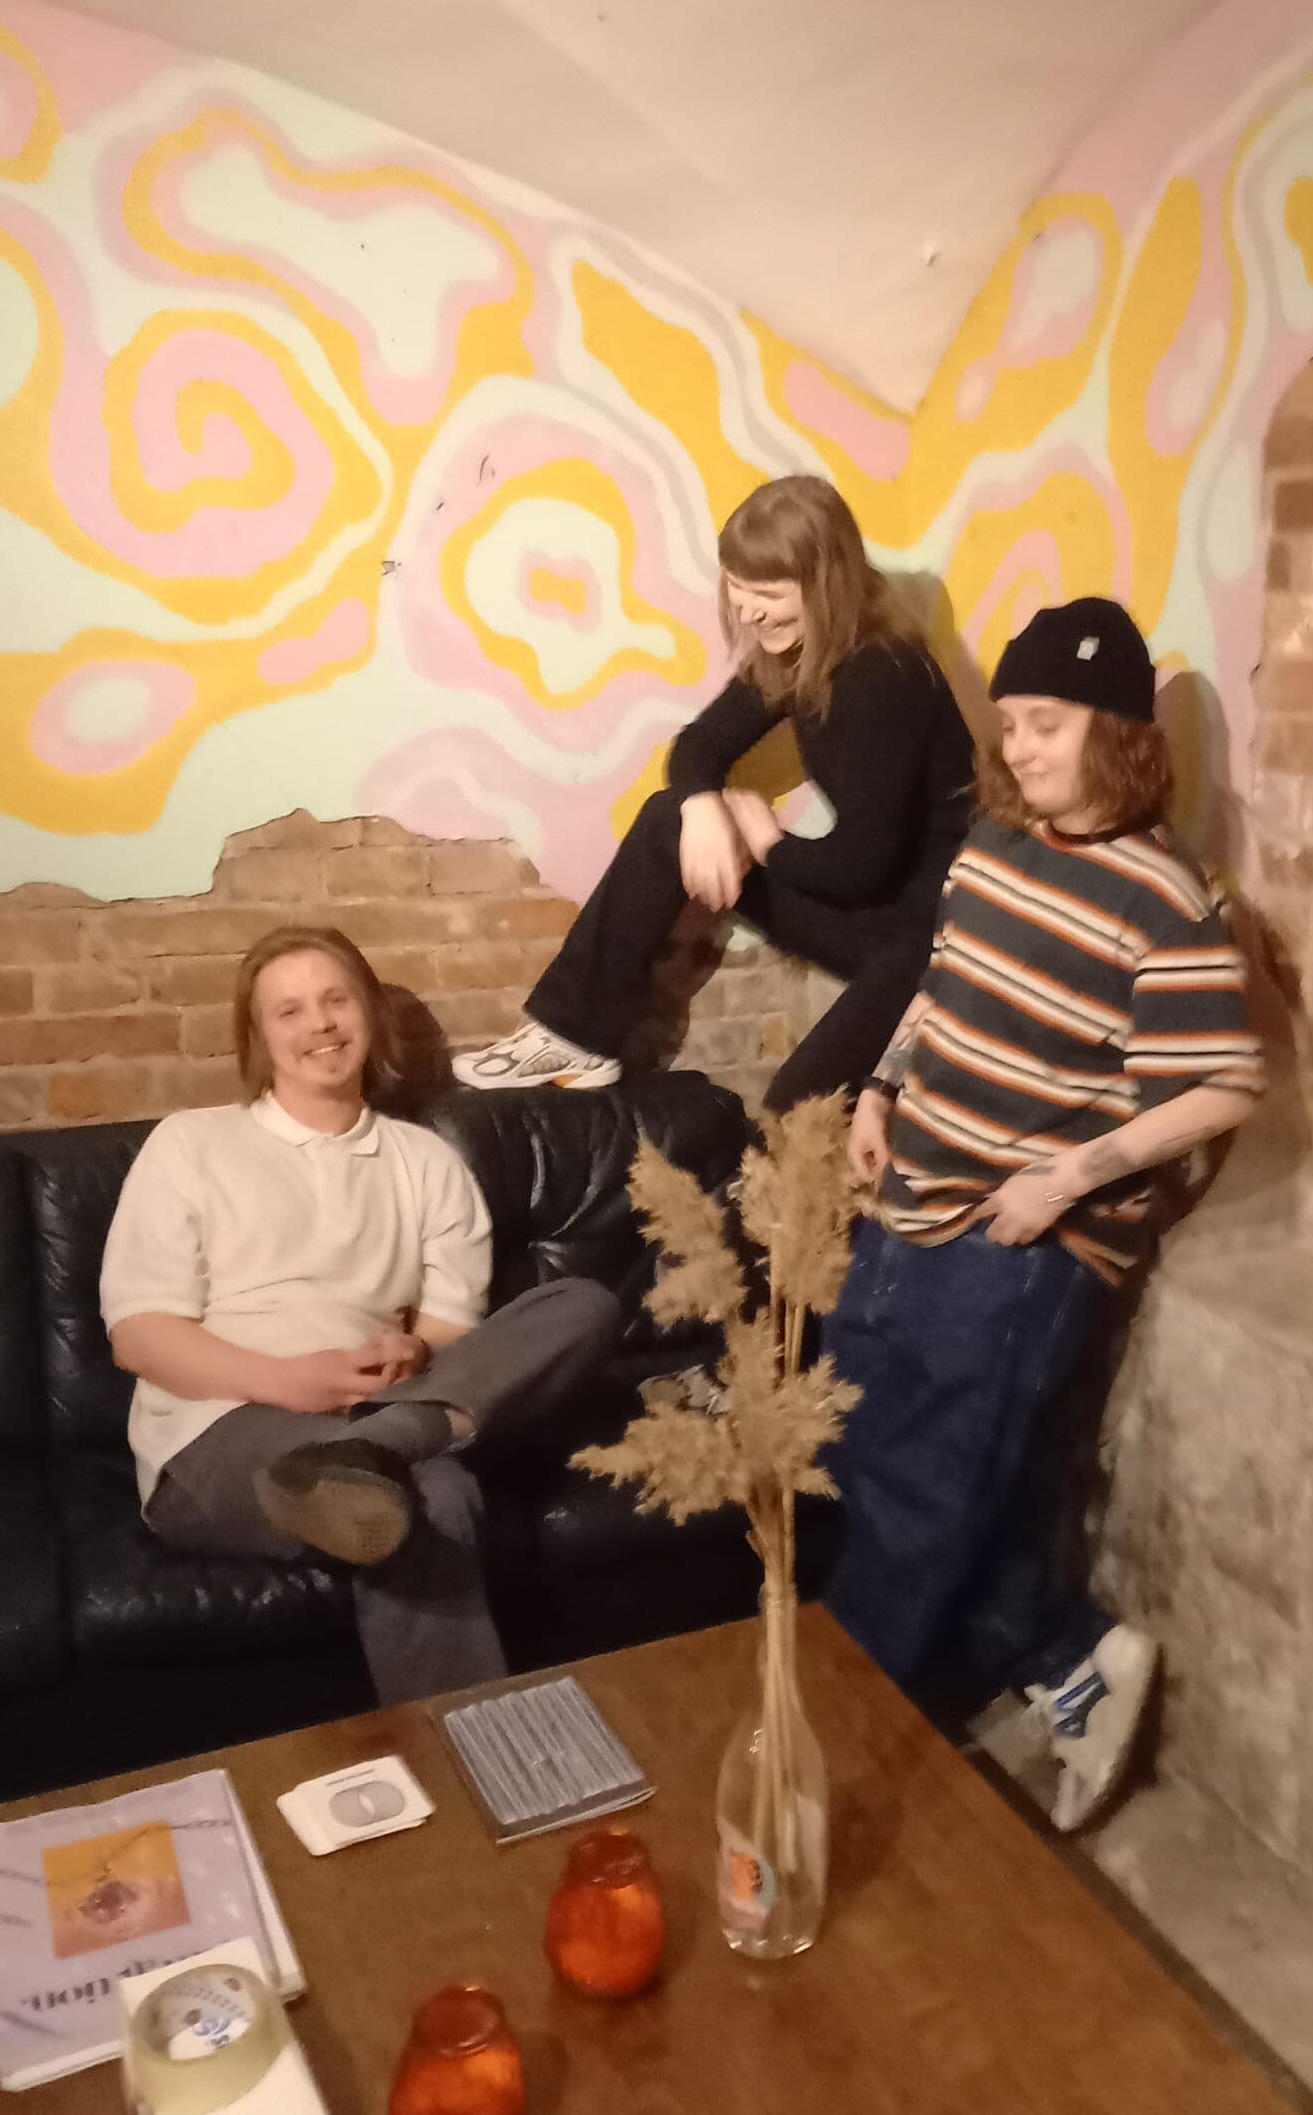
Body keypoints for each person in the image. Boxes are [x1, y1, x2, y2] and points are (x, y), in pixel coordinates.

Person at [821, 598, 1264, 1830]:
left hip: (1026, 1235)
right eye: (1010, 723)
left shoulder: (1165, 896)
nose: (1018, 747)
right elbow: (942, 988)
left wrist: (1067, 1179)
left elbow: (1226, 1083)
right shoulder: (993, 847)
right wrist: (881, 1086)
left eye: (1047, 724)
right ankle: (1068, 1653)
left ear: (1115, 733)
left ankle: (830, 1757)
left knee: (923, 1493)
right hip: (913, 1193)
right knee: (860, 1444)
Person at [100, 924, 621, 1702]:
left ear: (368, 1013)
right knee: (435, 1494)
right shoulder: (191, 1144)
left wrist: (415, 1351)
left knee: (583, 1303)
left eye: (336, 1000)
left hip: (367, 1408)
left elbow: (449, 1324)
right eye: (290, 1011)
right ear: (258, 1035)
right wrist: (289, 1381)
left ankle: (378, 1444)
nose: (320, 1024)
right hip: (216, 1432)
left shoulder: (426, 1161)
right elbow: (140, 1337)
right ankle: (480, 1744)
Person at [453, 475, 973, 1112]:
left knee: (792, 1111)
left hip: (924, 937)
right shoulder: (798, 654)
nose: (749, 611)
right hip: (860, 913)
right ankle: (571, 1037)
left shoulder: (883, 675)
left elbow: (861, 868)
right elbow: (699, 745)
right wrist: (702, 807)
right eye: (736, 586)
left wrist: (767, 841)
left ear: (828, 584)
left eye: (769, 593)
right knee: (669, 817)